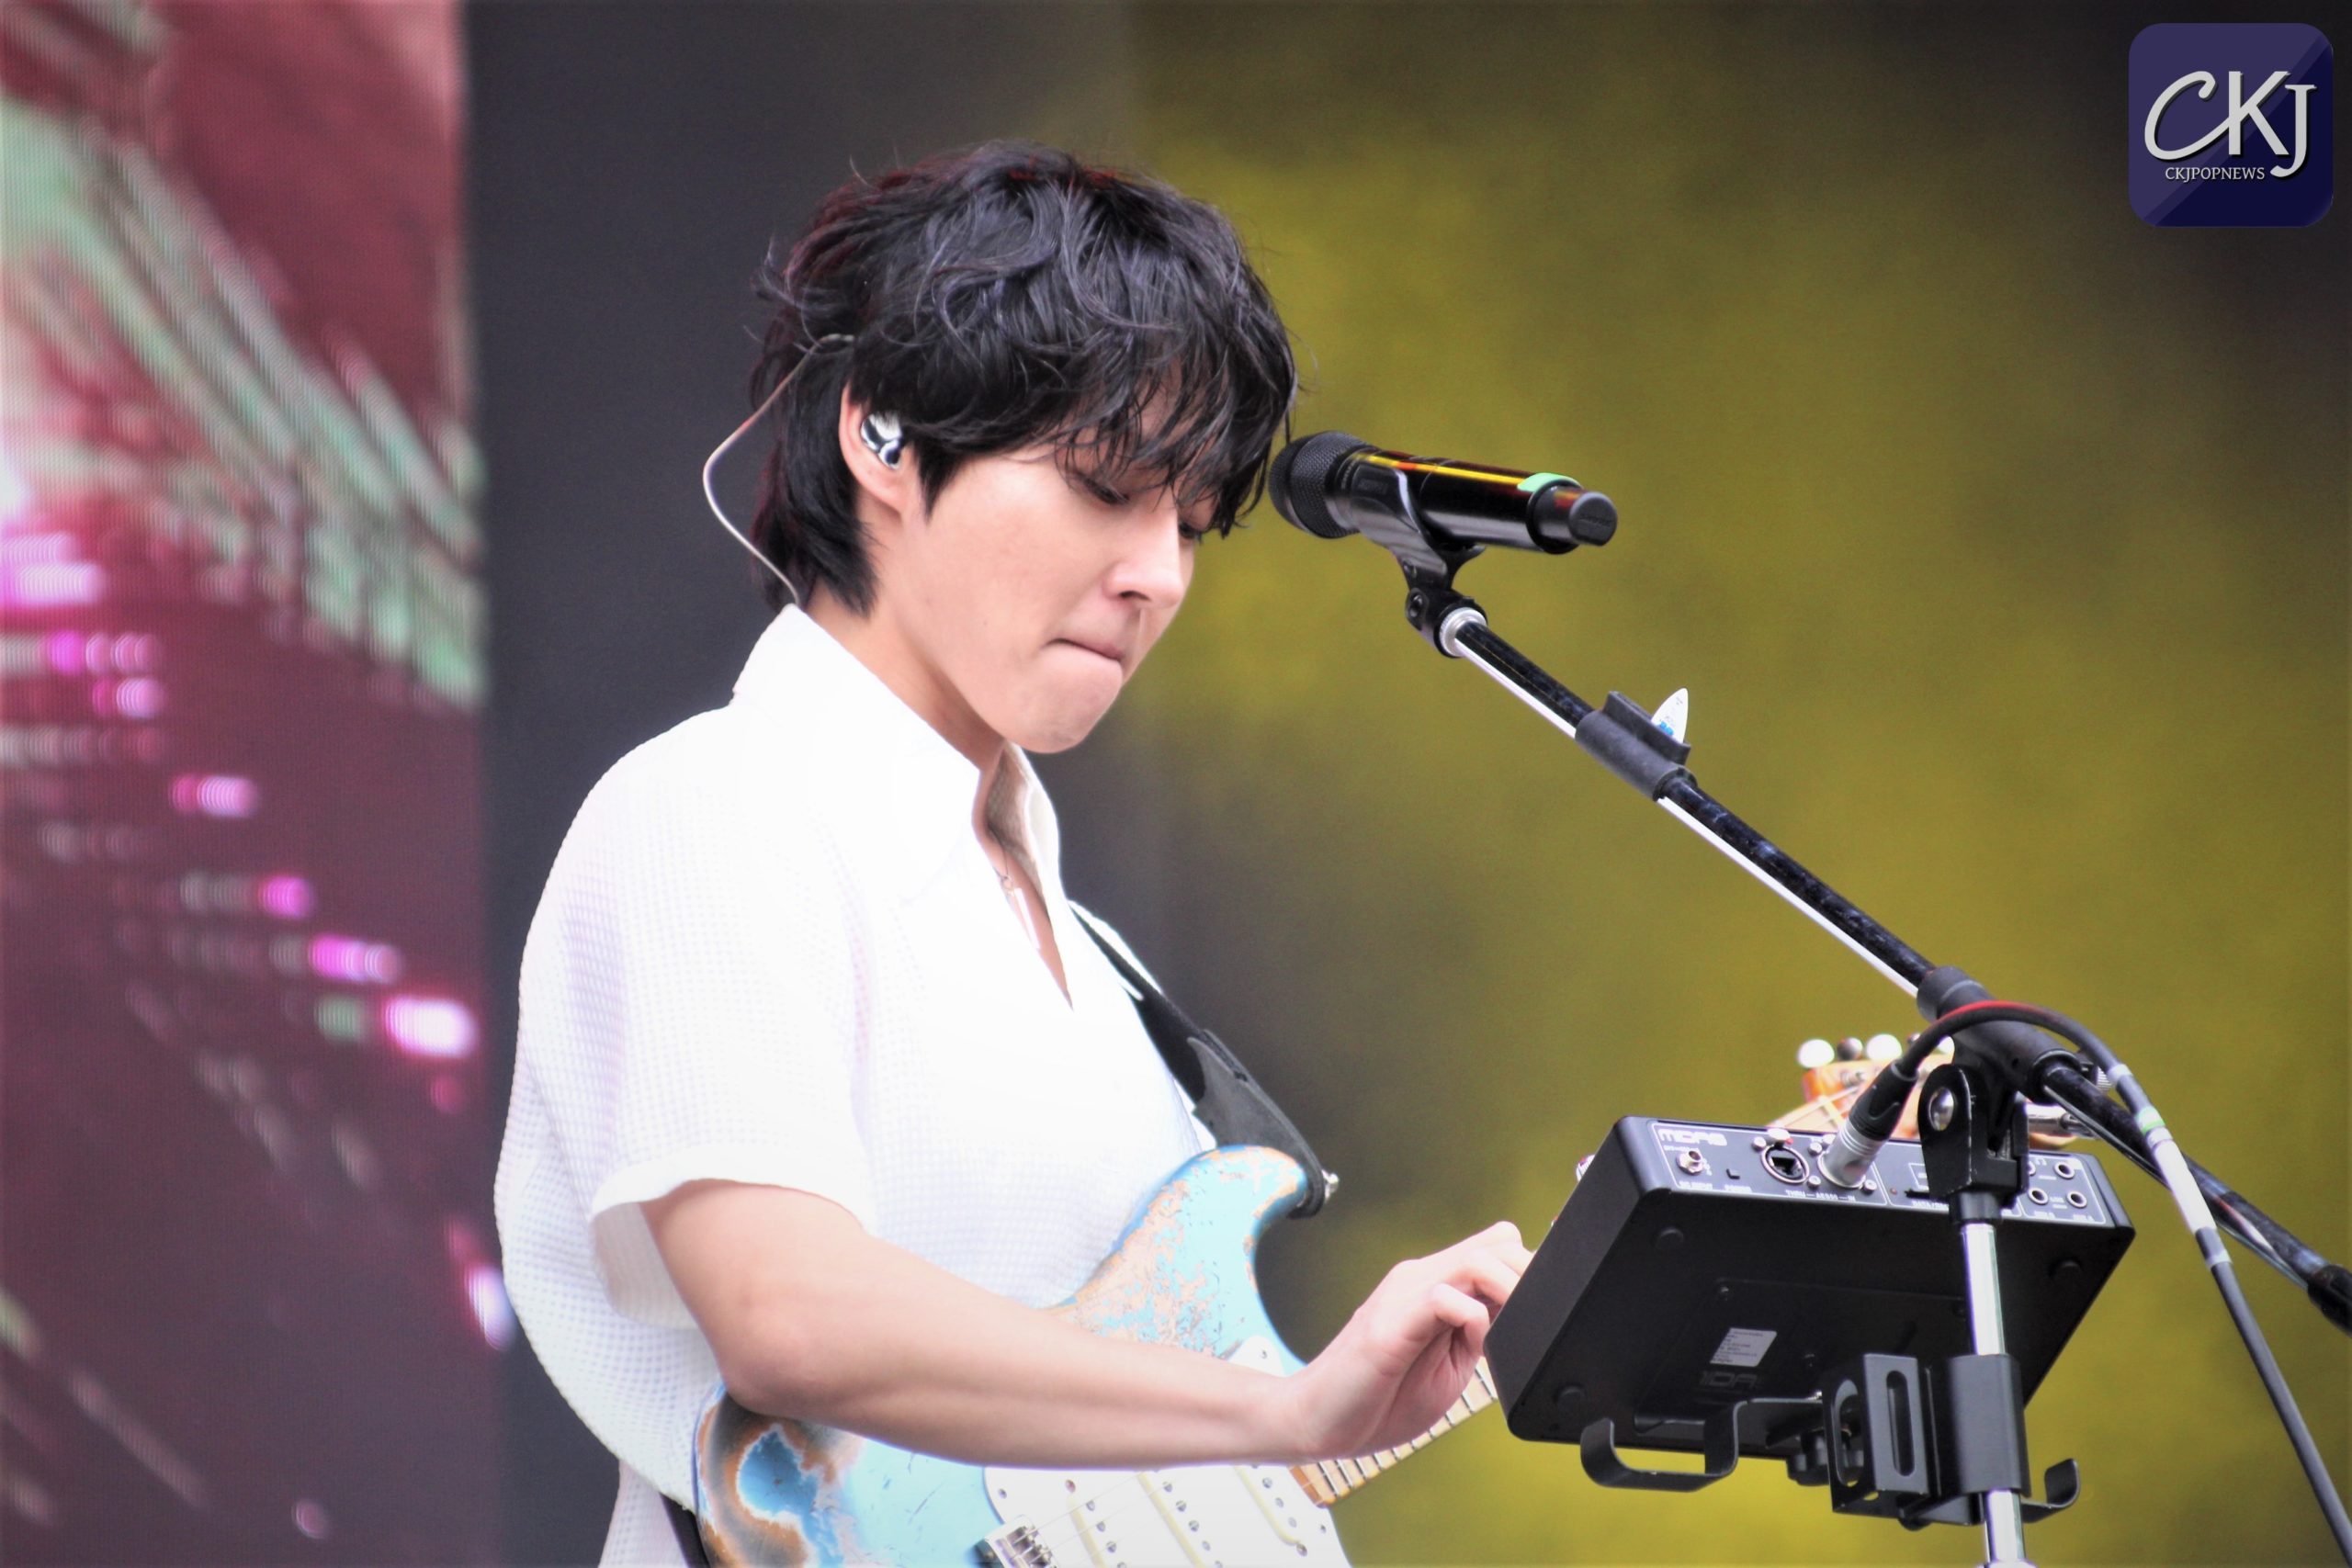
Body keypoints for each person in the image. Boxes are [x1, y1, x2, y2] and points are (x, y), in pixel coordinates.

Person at [493, 140, 1530, 1567]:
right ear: (883, 435)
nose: (1157, 574)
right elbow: (787, 1314)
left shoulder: (1100, 964)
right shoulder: (715, 806)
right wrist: (1282, 1415)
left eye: (1191, 523)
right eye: (1105, 486)